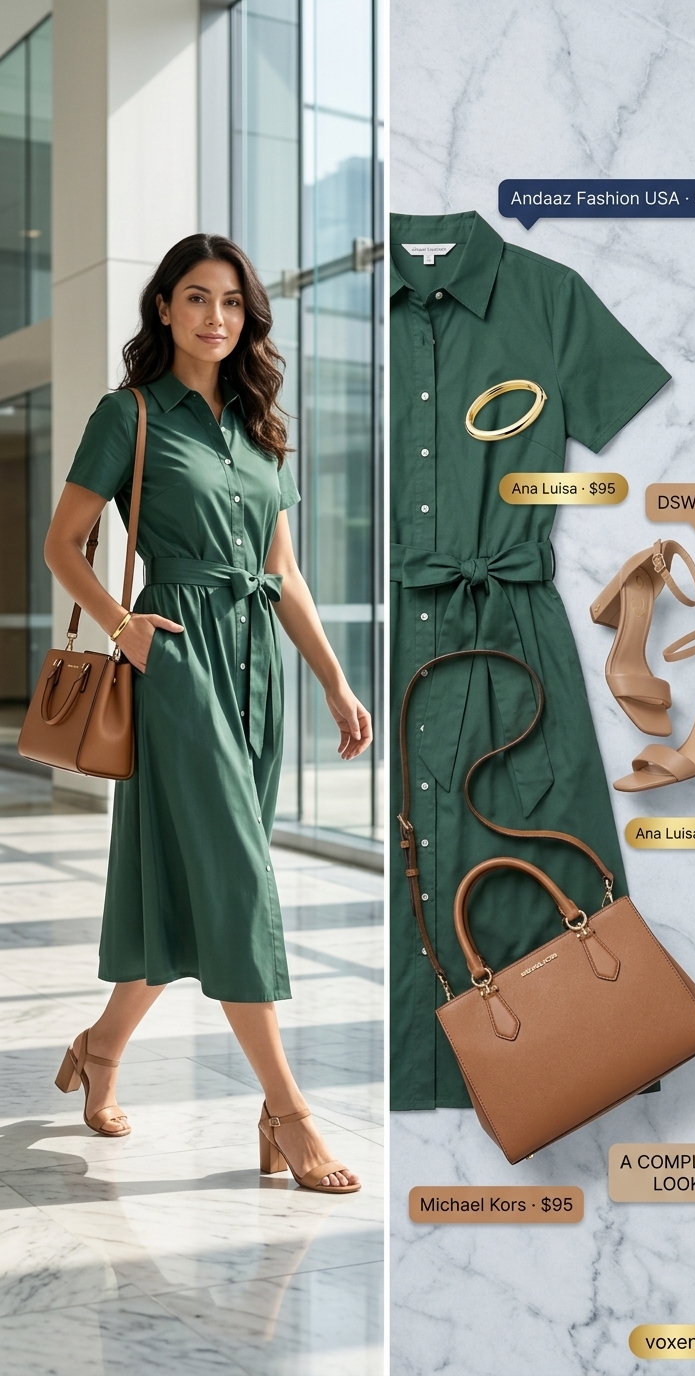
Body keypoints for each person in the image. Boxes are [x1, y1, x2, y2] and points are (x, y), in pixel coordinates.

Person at [45, 234, 372, 1193]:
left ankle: (101, 1050)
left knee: (198, 883)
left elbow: (283, 571)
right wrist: (124, 628)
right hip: (178, 659)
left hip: (257, 668)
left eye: (231, 302)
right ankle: (287, 1111)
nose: (215, 317)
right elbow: (63, 543)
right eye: (196, 297)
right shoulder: (130, 414)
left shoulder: (263, 427)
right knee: (234, 874)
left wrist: (333, 679)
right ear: (164, 308)